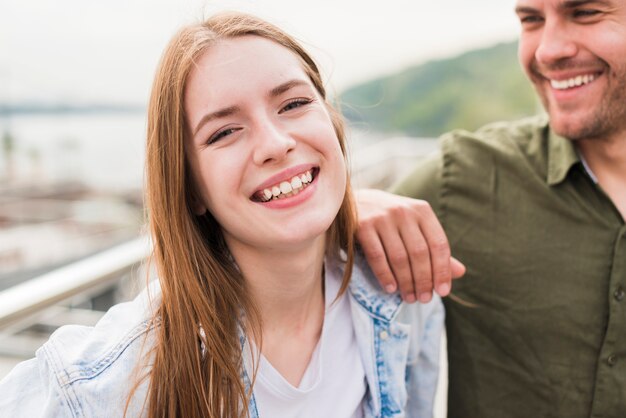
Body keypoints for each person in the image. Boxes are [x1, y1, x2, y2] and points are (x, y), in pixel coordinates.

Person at [0, 12, 443, 418]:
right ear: (191, 189)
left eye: (293, 104)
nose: (275, 144)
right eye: (225, 132)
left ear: (332, 123)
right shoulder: (106, 383)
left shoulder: (400, 295)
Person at [356, 0, 626, 417]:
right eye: (531, 20)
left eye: (586, 12)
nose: (547, 50)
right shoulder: (461, 179)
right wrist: (349, 206)